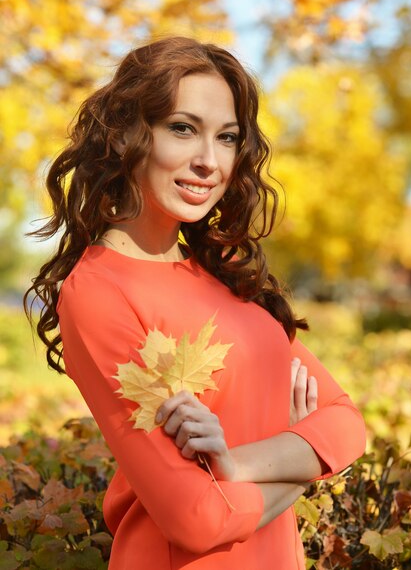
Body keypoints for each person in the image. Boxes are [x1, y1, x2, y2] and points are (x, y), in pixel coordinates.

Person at [25, 36, 366, 570]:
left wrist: (232, 463)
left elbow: (346, 424)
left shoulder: (227, 277)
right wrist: (300, 462)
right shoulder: (97, 292)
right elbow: (196, 518)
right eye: (182, 128)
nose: (209, 161)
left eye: (227, 137)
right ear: (128, 136)